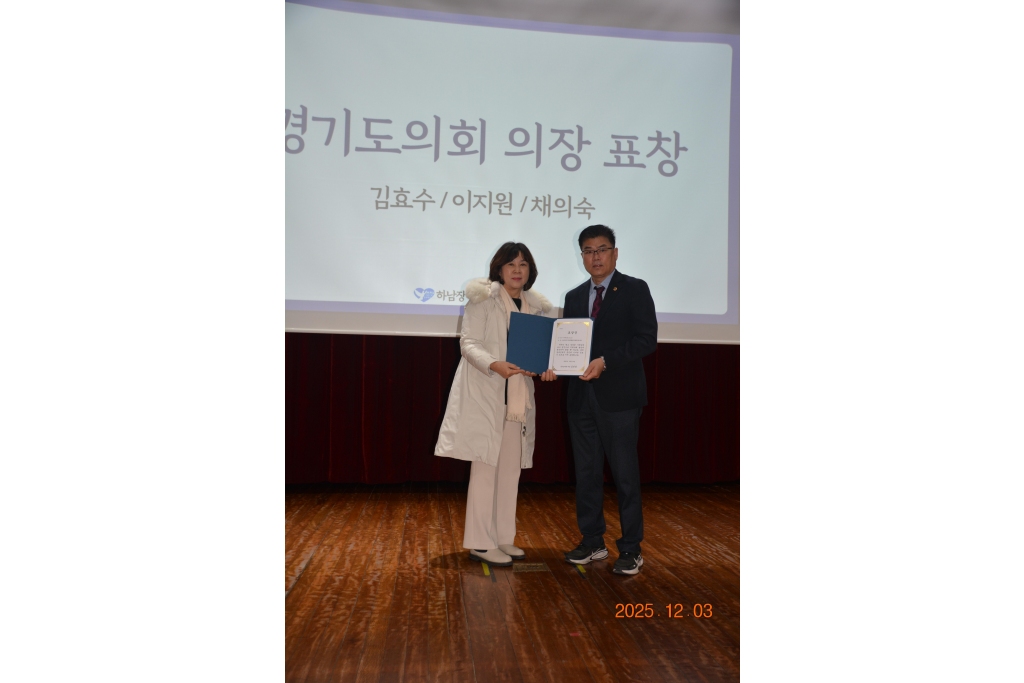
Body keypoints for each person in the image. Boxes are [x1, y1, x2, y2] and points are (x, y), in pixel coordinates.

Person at [434, 242, 557, 567]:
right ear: (499, 269)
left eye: (523, 264)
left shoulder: (536, 307)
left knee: (509, 471)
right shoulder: (483, 299)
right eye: (511, 264)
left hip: (516, 400)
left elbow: (538, 352)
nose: (517, 270)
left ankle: (503, 537)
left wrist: (545, 367)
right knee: (485, 470)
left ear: (530, 270)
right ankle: (480, 542)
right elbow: (468, 343)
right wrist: (494, 364)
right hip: (487, 393)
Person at [561, 225, 658, 575]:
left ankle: (631, 547)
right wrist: (556, 362)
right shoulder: (574, 296)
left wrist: (607, 361)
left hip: (620, 398)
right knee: (586, 473)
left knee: (625, 475)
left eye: (602, 249)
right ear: (581, 256)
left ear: (615, 253)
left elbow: (647, 339)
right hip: (581, 397)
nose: (596, 257)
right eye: (588, 251)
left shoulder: (634, 289)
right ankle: (592, 541)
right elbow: (568, 345)